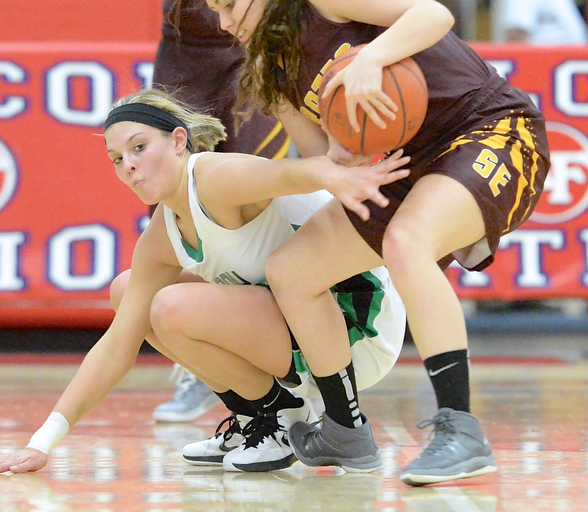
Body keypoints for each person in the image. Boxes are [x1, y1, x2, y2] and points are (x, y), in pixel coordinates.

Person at [199, 0, 550, 485]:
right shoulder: (275, 67)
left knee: (404, 243)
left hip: (485, 128)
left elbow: (431, 13)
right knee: (292, 271)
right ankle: (343, 426)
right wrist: (340, 165)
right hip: (402, 165)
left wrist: (375, 60)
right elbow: (326, 156)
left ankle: (460, 429)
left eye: (227, 4)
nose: (222, 23)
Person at [0, 89, 409, 475]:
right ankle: (262, 417)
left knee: (170, 307)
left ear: (179, 141)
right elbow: (117, 345)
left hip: (355, 330)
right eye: (116, 158)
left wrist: (356, 172)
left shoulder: (217, 177)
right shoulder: (162, 232)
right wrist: (43, 442)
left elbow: (296, 174)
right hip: (291, 326)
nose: (128, 165)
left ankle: (293, 418)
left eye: (139, 147)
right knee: (128, 293)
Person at [113, 0, 334, 422]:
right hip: (186, 51)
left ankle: (284, 350)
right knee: (175, 201)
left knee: (255, 192)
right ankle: (200, 368)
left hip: (260, 47)